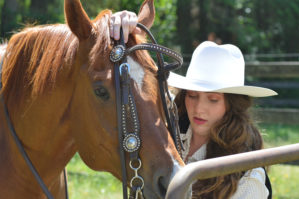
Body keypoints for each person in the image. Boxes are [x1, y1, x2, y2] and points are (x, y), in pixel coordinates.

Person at [110, 11, 276, 199]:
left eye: (213, 99)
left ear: (231, 105)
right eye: (193, 95)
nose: (198, 109)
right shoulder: (172, 129)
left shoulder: (247, 176)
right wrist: (123, 25)